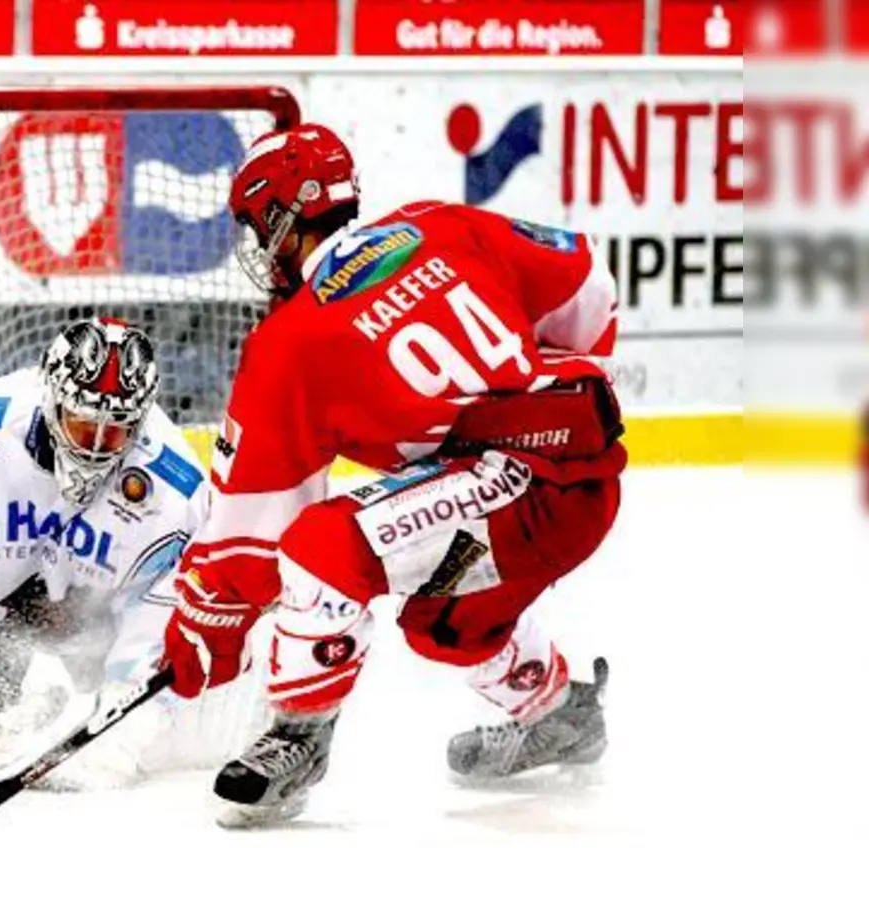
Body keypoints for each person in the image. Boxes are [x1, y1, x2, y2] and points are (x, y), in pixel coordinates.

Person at [161, 124, 627, 826]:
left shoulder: (289, 343)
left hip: (517, 484)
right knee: (444, 621)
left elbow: (250, 533)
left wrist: (204, 628)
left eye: (260, 229)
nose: (260, 249)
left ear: (281, 222)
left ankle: (298, 739)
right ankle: (561, 715)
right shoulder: (440, 224)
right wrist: (536, 390)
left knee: (321, 551)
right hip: (578, 477)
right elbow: (588, 280)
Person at [0, 316, 257, 782]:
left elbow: (157, 622)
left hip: (89, 635)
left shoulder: (174, 492)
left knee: (161, 733)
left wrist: (126, 719)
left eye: (114, 431)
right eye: (82, 425)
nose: (95, 447)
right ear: (51, 398)